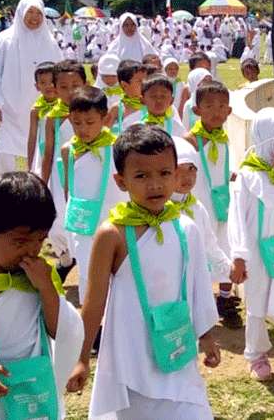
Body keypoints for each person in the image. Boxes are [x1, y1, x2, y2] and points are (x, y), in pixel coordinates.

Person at [66, 124, 221, 419]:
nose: (155, 185)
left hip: (177, 349)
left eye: (164, 173)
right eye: (141, 176)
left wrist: (207, 335)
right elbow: (94, 301)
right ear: (121, 181)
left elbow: (199, 286)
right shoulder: (112, 234)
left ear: (177, 174)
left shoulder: (186, 227)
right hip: (132, 353)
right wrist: (82, 357)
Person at [0, 172, 84, 420]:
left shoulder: (40, 279)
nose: (32, 250)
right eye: (20, 241)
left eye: (40, 240)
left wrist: (46, 286)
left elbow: (60, 330)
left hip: (33, 389)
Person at [227, 108, 274, 390]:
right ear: (270, 140)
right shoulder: (248, 175)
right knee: (257, 305)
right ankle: (256, 354)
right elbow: (238, 219)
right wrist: (240, 255)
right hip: (258, 254)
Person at [183, 81, 242, 329]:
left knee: (226, 249)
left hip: (223, 207)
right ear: (196, 110)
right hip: (200, 207)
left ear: (229, 111)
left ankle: (226, 300)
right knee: (200, 253)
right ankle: (200, 304)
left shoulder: (223, 138)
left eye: (221, 106)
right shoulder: (191, 141)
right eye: (209, 106)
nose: (216, 111)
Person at [60, 87, 128, 298]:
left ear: (104, 118)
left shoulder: (117, 146)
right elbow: (68, 186)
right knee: (87, 270)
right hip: (83, 223)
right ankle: (93, 323)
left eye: (90, 123)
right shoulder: (68, 150)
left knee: (118, 271)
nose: (83, 129)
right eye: (76, 123)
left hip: (114, 217)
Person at [0, 0, 62, 175]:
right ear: (21, 12)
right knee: (3, 151)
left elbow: (60, 71)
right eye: (30, 12)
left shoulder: (50, 42)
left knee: (40, 150)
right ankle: (5, 192)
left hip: (41, 107)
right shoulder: (3, 40)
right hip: (8, 108)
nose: (34, 17)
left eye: (38, 13)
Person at [41, 59, 87, 280]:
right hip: (61, 179)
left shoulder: (92, 111)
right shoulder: (53, 119)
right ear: (55, 89)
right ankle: (67, 257)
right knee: (60, 219)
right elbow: (48, 153)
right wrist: (43, 182)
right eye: (64, 87)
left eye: (76, 86)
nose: (70, 92)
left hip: (87, 176)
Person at [172, 136, 233, 291]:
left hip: (195, 283)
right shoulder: (156, 211)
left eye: (191, 169)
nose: (187, 177)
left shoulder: (197, 208)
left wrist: (228, 269)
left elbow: (209, 244)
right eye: (178, 170)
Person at [123, 74, 187, 137]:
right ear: (142, 100)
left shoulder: (178, 128)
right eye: (153, 96)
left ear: (171, 101)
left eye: (163, 96)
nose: (158, 100)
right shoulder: (135, 128)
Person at [26, 61, 58, 175]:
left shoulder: (66, 105)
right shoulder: (36, 110)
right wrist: (29, 164)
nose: (49, 86)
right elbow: (32, 137)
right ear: (37, 86)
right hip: (44, 150)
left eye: (52, 82)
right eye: (43, 82)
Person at [107, 59, 146, 134]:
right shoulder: (117, 108)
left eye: (146, 79)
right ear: (124, 85)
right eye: (139, 81)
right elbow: (104, 134)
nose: (144, 83)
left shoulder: (151, 105)